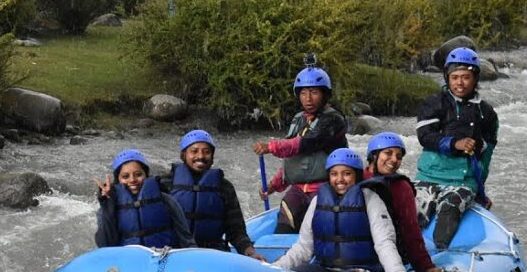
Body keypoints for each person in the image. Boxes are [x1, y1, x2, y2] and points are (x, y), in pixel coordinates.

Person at [273, 148, 413, 272]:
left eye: (346, 174)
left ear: (357, 176)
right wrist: (277, 267)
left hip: (365, 271)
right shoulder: (317, 201)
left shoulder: (371, 199)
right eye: (334, 174)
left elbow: (384, 244)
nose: (339, 179)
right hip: (325, 267)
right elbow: (303, 247)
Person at [413, 47, 499, 249]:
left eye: (466, 77)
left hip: (463, 180)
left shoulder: (486, 113)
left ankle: (440, 254)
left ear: (475, 78)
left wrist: (481, 192)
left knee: (450, 207)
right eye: (455, 77)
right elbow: (425, 136)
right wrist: (454, 143)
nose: (459, 83)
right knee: (415, 212)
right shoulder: (434, 103)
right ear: (447, 78)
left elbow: (485, 157)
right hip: (429, 175)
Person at [253, 65, 349, 233]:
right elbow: (292, 159)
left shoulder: (333, 120)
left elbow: (306, 143)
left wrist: (271, 146)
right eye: (303, 93)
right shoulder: (299, 119)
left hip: (325, 188)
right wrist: (273, 186)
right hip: (298, 190)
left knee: (317, 227)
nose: (308, 99)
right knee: (285, 220)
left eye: (314, 92)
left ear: (324, 94)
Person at [162, 130, 263, 259]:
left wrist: (250, 253)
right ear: (184, 155)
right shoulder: (165, 184)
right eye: (194, 151)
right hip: (174, 253)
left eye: (206, 151)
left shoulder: (224, 187)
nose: (201, 156)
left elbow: (236, 231)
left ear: (212, 156)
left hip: (211, 254)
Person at [364, 132, 443, 272]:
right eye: (388, 153)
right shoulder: (355, 179)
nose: (394, 160)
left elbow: (410, 230)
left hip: (387, 257)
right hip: (356, 254)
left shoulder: (401, 187)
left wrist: (425, 265)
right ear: (374, 156)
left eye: (398, 156)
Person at [94, 149, 195, 249]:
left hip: (163, 260)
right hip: (128, 261)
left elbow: (186, 239)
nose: (132, 180)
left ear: (146, 175)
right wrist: (107, 206)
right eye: (125, 176)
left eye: (138, 174)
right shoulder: (109, 206)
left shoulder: (166, 201)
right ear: (118, 180)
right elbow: (104, 245)